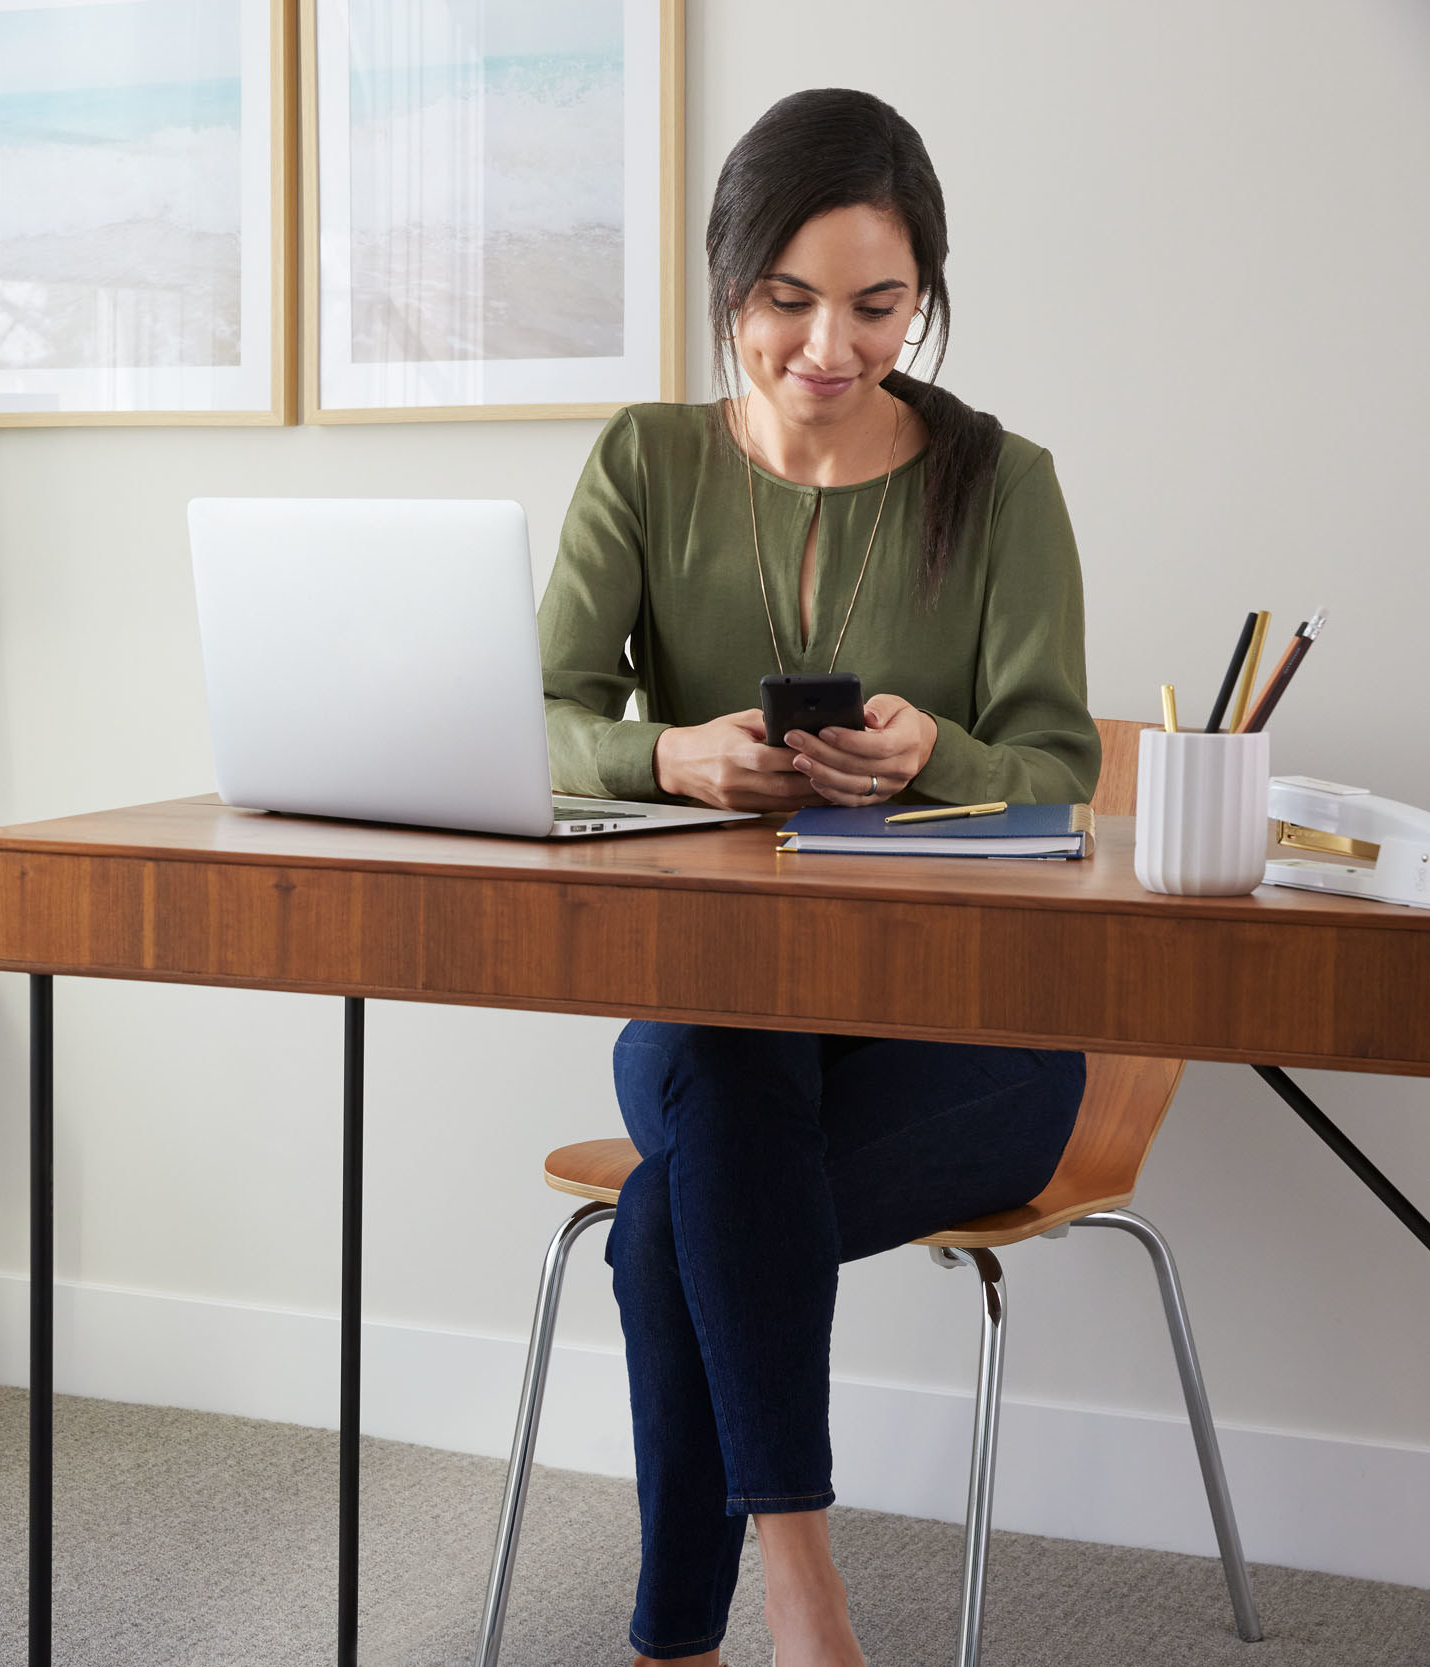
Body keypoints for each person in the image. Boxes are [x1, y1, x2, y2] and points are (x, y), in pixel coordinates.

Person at [539, 89, 1096, 1667]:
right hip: (715, 1018)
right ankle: (803, 1599)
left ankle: (698, 1637)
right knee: (726, 1051)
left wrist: (942, 759)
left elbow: (1063, 771)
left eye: (877, 304)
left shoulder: (1004, 483)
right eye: (787, 301)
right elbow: (532, 723)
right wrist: (672, 757)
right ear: (730, 283)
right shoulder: (647, 464)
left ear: (922, 294)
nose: (829, 348)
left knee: (671, 1229)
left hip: (979, 1036)